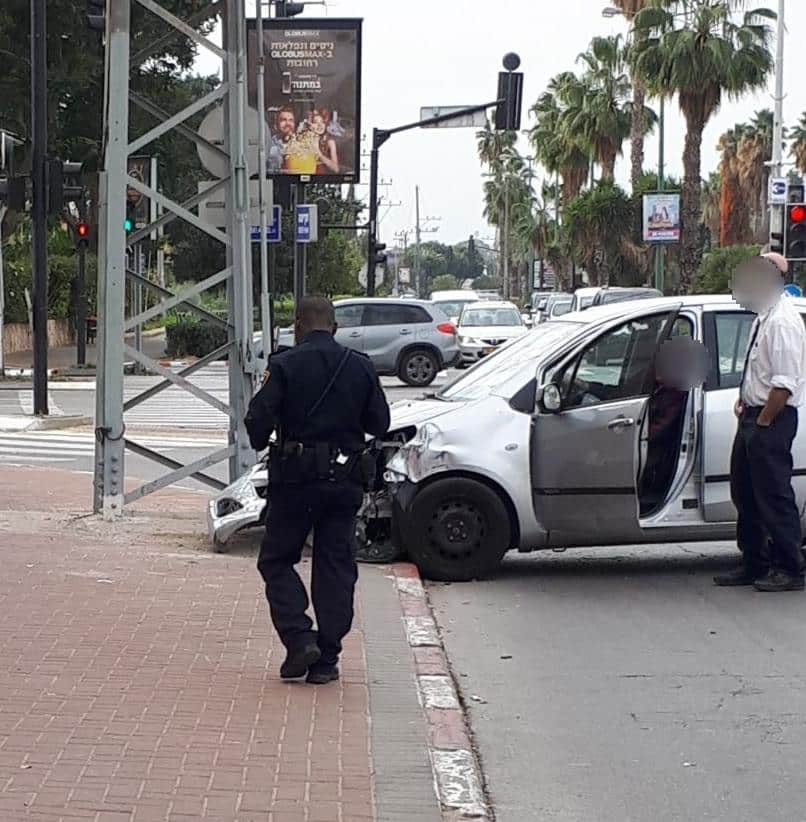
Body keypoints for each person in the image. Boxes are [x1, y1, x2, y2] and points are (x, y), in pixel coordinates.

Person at [245, 296, 391, 682]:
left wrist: (271, 436)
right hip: (344, 484)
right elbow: (380, 423)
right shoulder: (360, 366)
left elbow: (256, 423)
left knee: (276, 560)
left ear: (298, 327)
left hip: (294, 482)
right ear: (335, 328)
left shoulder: (284, 364)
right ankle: (327, 659)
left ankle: (298, 637)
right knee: (335, 566)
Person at [715, 252, 806, 592]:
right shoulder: (763, 316)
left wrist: (765, 419)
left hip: (773, 420)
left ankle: (789, 568)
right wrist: (747, 400)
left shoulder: (783, 321)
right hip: (755, 415)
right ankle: (755, 562)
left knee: (773, 495)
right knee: (746, 493)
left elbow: (784, 384)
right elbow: (762, 372)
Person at [310, 109, 340, 175]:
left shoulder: (330, 142)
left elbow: (336, 169)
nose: (320, 125)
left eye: (322, 122)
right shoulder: (305, 140)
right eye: (315, 122)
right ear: (310, 125)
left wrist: (318, 153)